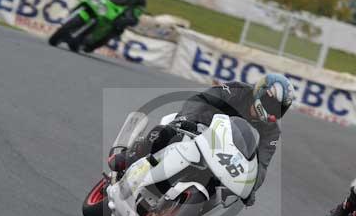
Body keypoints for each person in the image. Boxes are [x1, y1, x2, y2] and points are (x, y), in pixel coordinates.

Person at [109, 73, 296, 206]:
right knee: (165, 133)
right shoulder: (237, 90)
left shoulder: (271, 132)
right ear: (260, 93)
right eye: (271, 104)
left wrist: (251, 188)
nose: (273, 112)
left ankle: (175, 210)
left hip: (224, 153)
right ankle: (128, 157)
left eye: (279, 109)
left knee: (220, 190)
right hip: (198, 127)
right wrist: (187, 119)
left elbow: (262, 164)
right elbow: (202, 98)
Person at [81, 0, 146, 53]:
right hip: (107, 3)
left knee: (116, 29)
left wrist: (132, 15)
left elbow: (140, 7)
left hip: (120, 11)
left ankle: (93, 44)